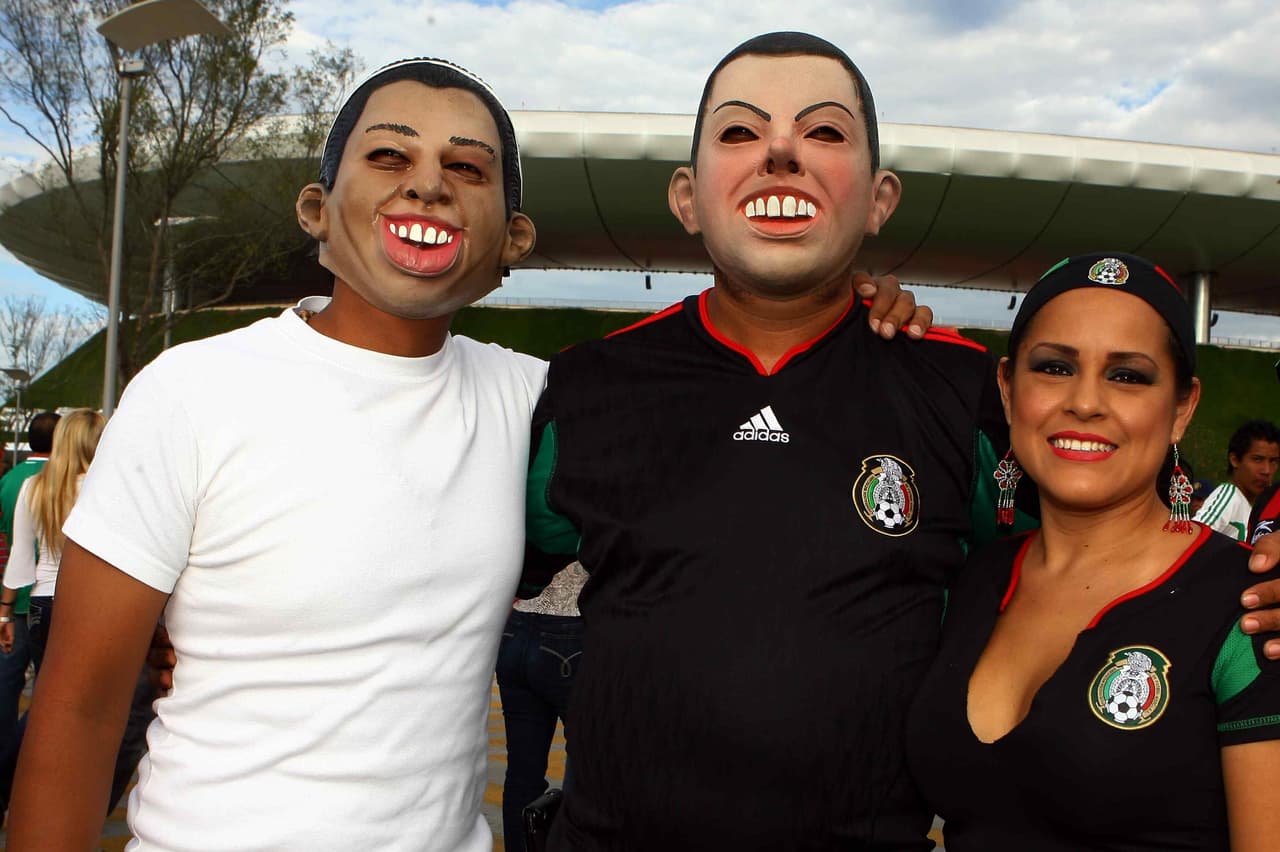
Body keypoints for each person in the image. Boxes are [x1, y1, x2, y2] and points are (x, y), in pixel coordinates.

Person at [519, 33, 1280, 851]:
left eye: (824, 132)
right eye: (740, 132)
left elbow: (1080, 566)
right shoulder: (588, 387)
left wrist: (1247, 590)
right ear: (687, 196)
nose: (779, 152)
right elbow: (457, 577)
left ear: (881, 199)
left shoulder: (955, 391)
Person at [5, 58, 546, 851]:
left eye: (466, 167)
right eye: (389, 155)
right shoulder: (193, 391)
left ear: (515, 237)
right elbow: (79, 706)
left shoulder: (534, 400)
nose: (429, 186)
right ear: (317, 209)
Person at [906, 252, 1280, 849]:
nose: (1085, 402)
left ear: (1182, 407)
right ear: (1007, 391)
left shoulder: (1253, 606)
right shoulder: (976, 576)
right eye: (1054, 367)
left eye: (1128, 375)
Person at [1, 409, 106, 669]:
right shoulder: (104, 487)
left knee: (45, 691)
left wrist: (5, 614)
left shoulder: (35, 486)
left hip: (42, 600)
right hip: (92, 600)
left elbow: (20, 555)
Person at [496, 561, 586, 852]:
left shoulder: (524, 513)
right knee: (587, 772)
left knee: (522, 775)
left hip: (516, 627)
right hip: (573, 631)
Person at [0, 410, 59, 789]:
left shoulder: (8, 481)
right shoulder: (61, 482)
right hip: (45, 599)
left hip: (11, 598)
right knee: (47, 695)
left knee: (6, 688)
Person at [1195, 419, 1280, 540]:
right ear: (1235, 460)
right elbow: (1188, 540)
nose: (1266, 470)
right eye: (1257, 459)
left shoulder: (1256, 510)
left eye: (1273, 461)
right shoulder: (1229, 495)